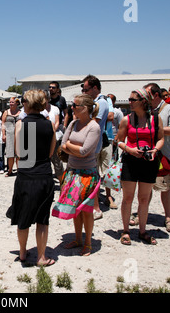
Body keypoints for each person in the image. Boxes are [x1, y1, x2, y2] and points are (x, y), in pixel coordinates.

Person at [6, 89, 56, 266]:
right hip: (44, 173)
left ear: (29, 103)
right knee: (43, 219)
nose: (22, 104)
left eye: (23, 101)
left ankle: (22, 253)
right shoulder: (50, 125)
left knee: (23, 217)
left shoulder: (21, 124)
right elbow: (51, 152)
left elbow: (18, 152)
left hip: (26, 175)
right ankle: (41, 257)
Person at [52, 94, 101, 256]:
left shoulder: (94, 127)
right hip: (72, 172)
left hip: (87, 174)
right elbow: (63, 145)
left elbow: (85, 151)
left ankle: (88, 243)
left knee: (86, 210)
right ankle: (78, 239)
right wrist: (75, 148)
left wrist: (70, 147)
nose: (72, 107)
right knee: (75, 209)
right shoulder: (73, 123)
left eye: (75, 105)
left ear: (85, 108)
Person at [116, 89, 164, 246]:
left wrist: (155, 150)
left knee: (144, 198)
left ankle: (143, 231)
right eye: (129, 99)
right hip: (131, 161)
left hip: (149, 161)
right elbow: (119, 140)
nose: (129, 102)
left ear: (143, 101)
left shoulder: (156, 119)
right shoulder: (126, 120)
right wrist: (129, 149)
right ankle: (125, 231)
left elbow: (161, 139)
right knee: (127, 198)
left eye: (133, 99)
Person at [145, 83, 170, 233]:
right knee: (145, 187)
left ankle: (168, 217)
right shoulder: (146, 109)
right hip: (146, 155)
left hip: (163, 155)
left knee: (165, 187)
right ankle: (143, 214)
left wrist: (154, 128)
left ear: (155, 95)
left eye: (146, 94)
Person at [81, 75, 109, 220]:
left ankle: (96, 208)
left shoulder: (101, 103)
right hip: (90, 142)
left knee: (93, 176)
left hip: (94, 144)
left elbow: (94, 123)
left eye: (86, 89)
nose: (84, 92)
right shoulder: (94, 102)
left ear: (95, 88)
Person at [105, 94, 124, 209]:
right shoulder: (99, 110)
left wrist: (119, 140)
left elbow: (121, 126)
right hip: (101, 140)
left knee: (110, 168)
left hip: (112, 140)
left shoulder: (117, 112)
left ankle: (109, 195)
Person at [49, 82, 67, 182]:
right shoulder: (46, 100)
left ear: (57, 89)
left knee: (56, 156)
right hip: (46, 130)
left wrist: (64, 126)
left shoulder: (61, 100)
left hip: (57, 128)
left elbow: (66, 113)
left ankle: (61, 179)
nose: (51, 89)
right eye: (50, 87)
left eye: (53, 87)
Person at [1, 97, 21, 176]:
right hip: (9, 134)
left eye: (12, 102)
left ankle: (19, 170)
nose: (11, 104)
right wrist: (3, 134)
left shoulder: (21, 112)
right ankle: (10, 170)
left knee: (19, 154)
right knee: (10, 154)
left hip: (19, 135)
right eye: (10, 102)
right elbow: (3, 123)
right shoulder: (6, 112)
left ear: (17, 103)